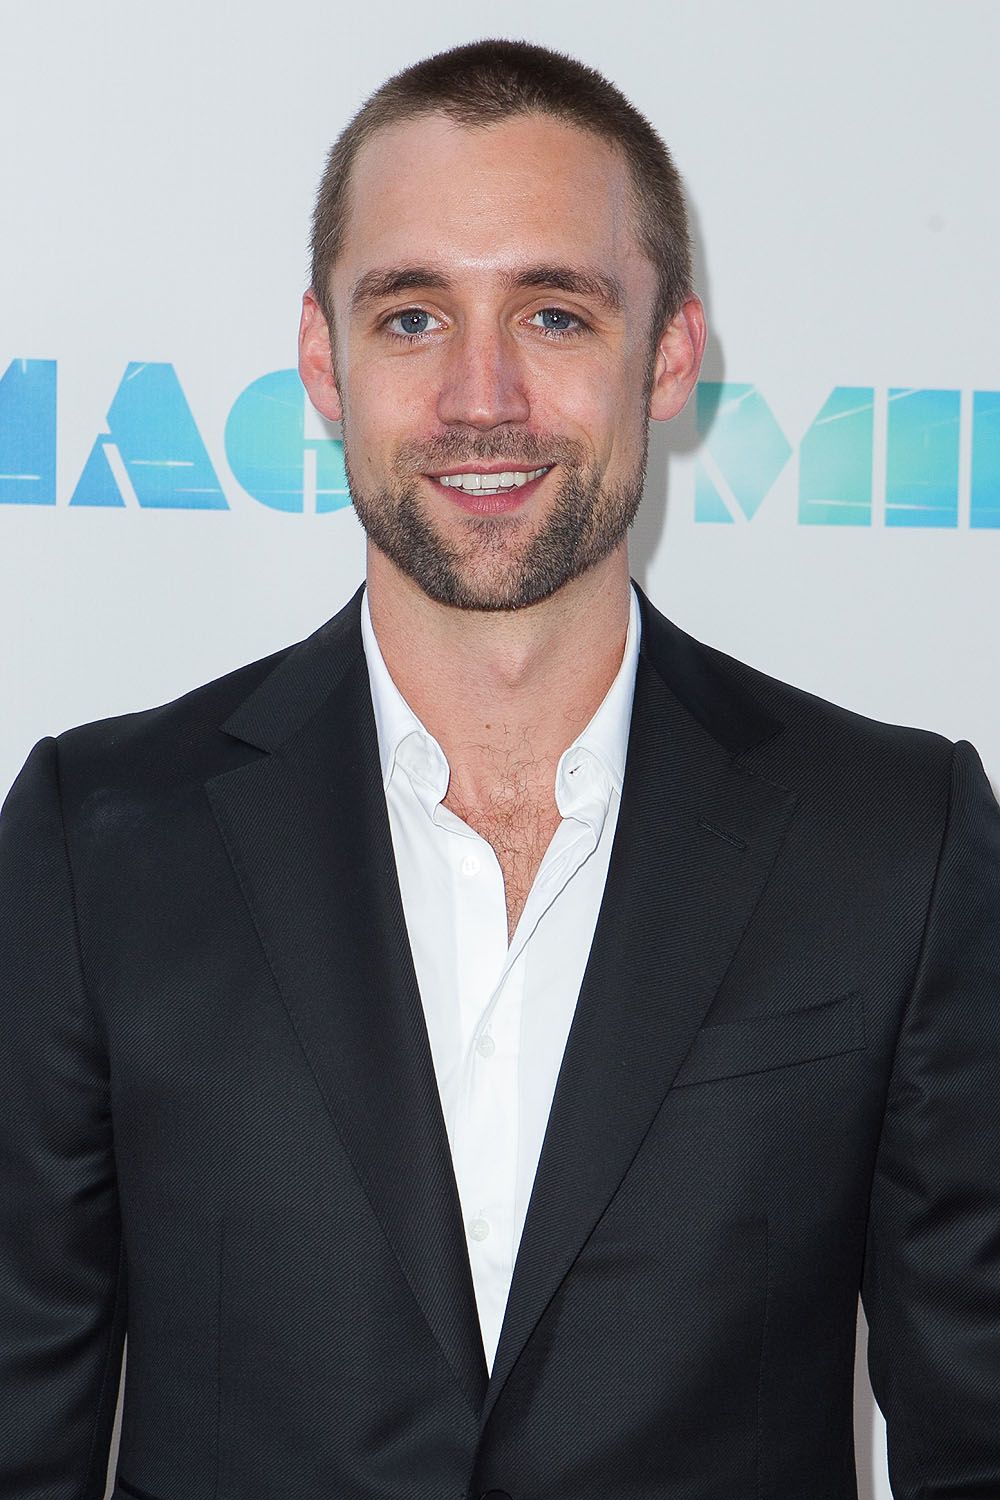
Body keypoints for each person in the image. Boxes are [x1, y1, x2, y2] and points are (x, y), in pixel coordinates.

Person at [1, 37, 998, 1500]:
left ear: (670, 356)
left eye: (553, 313)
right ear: (322, 359)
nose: (483, 397)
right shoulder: (99, 841)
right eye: (412, 318)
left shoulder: (895, 841)